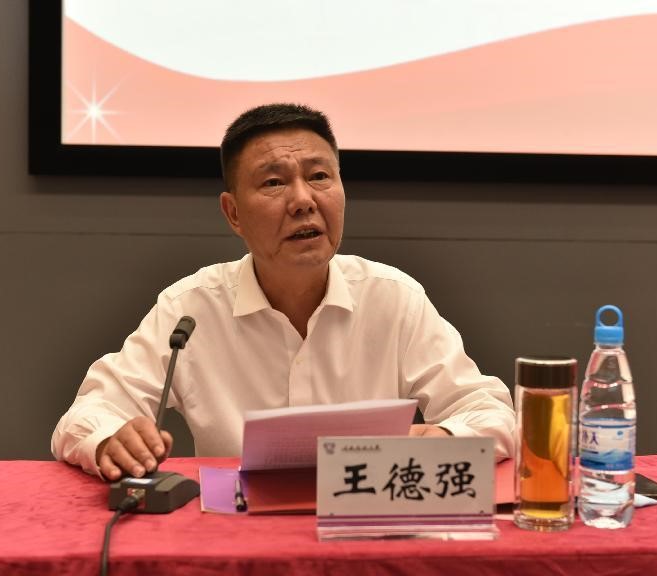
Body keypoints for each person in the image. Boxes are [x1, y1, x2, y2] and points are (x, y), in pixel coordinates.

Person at [52, 103, 515, 481]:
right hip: (237, 535)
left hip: (365, 527)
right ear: (233, 213)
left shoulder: (392, 298)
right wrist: (111, 439)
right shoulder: (190, 309)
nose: (303, 200)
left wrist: (446, 438)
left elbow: (488, 410)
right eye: (274, 182)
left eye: (319, 177)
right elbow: (87, 414)